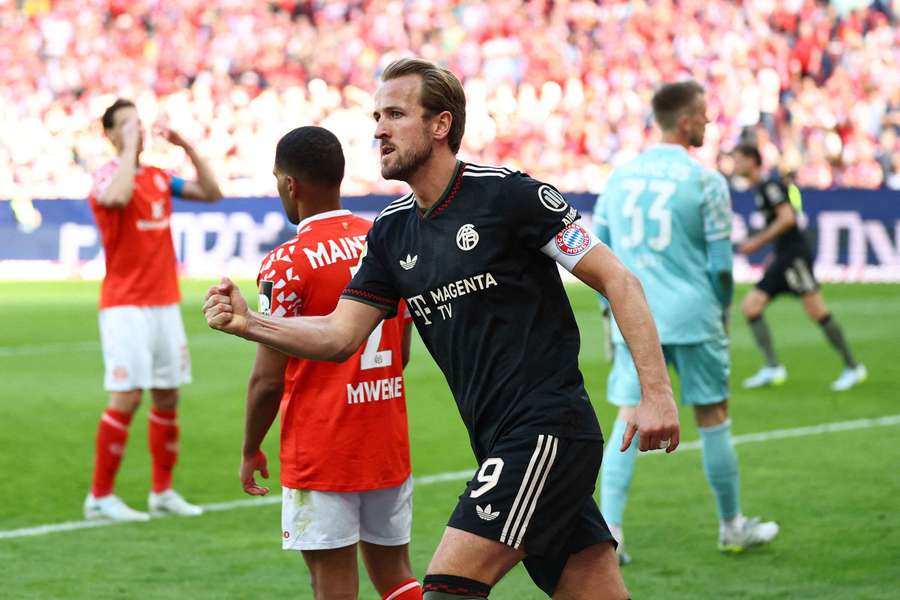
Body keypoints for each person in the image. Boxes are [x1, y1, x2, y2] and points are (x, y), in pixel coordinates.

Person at [204, 57, 680, 600]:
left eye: (395, 114)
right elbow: (338, 337)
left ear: (441, 124)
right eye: (376, 116)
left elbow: (618, 279)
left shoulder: (509, 196)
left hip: (546, 433)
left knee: (447, 588)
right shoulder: (390, 232)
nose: (379, 128)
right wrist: (250, 324)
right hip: (497, 440)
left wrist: (657, 394)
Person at [594, 81, 779, 563]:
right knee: (713, 416)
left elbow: (600, 255)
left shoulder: (620, 177)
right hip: (693, 315)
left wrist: (607, 313)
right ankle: (732, 526)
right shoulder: (706, 181)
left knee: (628, 419)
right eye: (703, 116)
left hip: (633, 317)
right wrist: (722, 309)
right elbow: (720, 264)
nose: (709, 123)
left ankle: (610, 535)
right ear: (685, 121)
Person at [240, 126, 422, 600]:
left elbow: (267, 376)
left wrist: (250, 447)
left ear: (289, 185)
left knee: (333, 584)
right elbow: (400, 352)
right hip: (384, 436)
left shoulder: (286, 262)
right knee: (397, 577)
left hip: (322, 446)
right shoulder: (383, 239)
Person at [84, 98, 222, 521]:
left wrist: (188, 147)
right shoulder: (106, 177)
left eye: (138, 125)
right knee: (126, 396)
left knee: (168, 395)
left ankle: (162, 491)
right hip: (125, 306)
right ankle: (100, 497)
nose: (137, 132)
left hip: (164, 304)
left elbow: (212, 193)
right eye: (126, 126)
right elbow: (119, 196)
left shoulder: (161, 177)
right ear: (109, 134)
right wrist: (127, 150)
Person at [732, 144, 866, 391]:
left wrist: (757, 242)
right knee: (751, 306)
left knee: (816, 310)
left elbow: (788, 219)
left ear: (752, 161)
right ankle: (772, 367)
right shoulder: (761, 188)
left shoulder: (770, 186)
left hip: (794, 257)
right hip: (783, 257)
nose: (735, 164)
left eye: (738, 159)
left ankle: (852, 367)